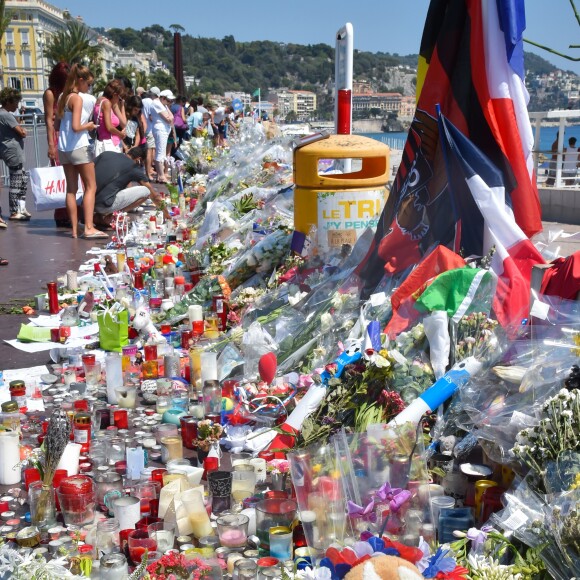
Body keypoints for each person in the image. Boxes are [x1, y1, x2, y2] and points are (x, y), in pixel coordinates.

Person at [56, 64, 104, 239]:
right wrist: (89, 126)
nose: (88, 88)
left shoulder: (63, 96)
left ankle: (75, 230)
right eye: (88, 84)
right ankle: (89, 227)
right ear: (81, 80)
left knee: (71, 189)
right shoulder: (77, 99)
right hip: (79, 146)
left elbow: (57, 124)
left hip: (64, 147)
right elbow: (77, 127)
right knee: (91, 186)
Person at [93, 147, 170, 226]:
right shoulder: (134, 167)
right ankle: (111, 217)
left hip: (90, 202)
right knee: (146, 191)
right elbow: (154, 195)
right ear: (138, 159)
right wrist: (166, 214)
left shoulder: (106, 154)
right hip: (105, 205)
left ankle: (98, 216)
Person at [42, 61, 71, 227]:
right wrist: (51, 145)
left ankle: (71, 211)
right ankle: (61, 213)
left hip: (67, 133)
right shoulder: (50, 94)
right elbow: (48, 120)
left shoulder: (66, 93)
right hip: (57, 134)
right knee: (60, 176)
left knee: (71, 175)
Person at [0, 87, 30, 229]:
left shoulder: (4, 114)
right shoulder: (5, 115)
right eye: (15, 102)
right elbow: (21, 132)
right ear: (9, 101)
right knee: (17, 180)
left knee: (22, 178)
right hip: (13, 152)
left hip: (10, 150)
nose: (17, 105)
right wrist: (23, 131)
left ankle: (20, 208)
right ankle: (14, 210)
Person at [94, 79, 126, 154]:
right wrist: (121, 134)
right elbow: (109, 127)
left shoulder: (100, 100)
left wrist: (121, 105)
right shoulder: (107, 103)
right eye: (119, 97)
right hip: (110, 143)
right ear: (114, 94)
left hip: (103, 141)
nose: (119, 100)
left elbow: (124, 124)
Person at [151, 89, 174, 183]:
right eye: (168, 100)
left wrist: (169, 114)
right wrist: (170, 117)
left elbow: (171, 117)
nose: (170, 102)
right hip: (160, 129)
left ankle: (160, 175)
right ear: (163, 98)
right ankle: (161, 175)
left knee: (162, 152)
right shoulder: (157, 103)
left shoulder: (163, 105)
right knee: (160, 152)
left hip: (164, 129)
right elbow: (169, 119)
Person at [141, 87, 159, 181]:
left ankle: (147, 170)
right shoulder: (151, 103)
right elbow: (151, 117)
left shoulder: (143, 101)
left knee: (147, 150)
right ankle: (148, 172)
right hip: (150, 128)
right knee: (150, 151)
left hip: (143, 128)